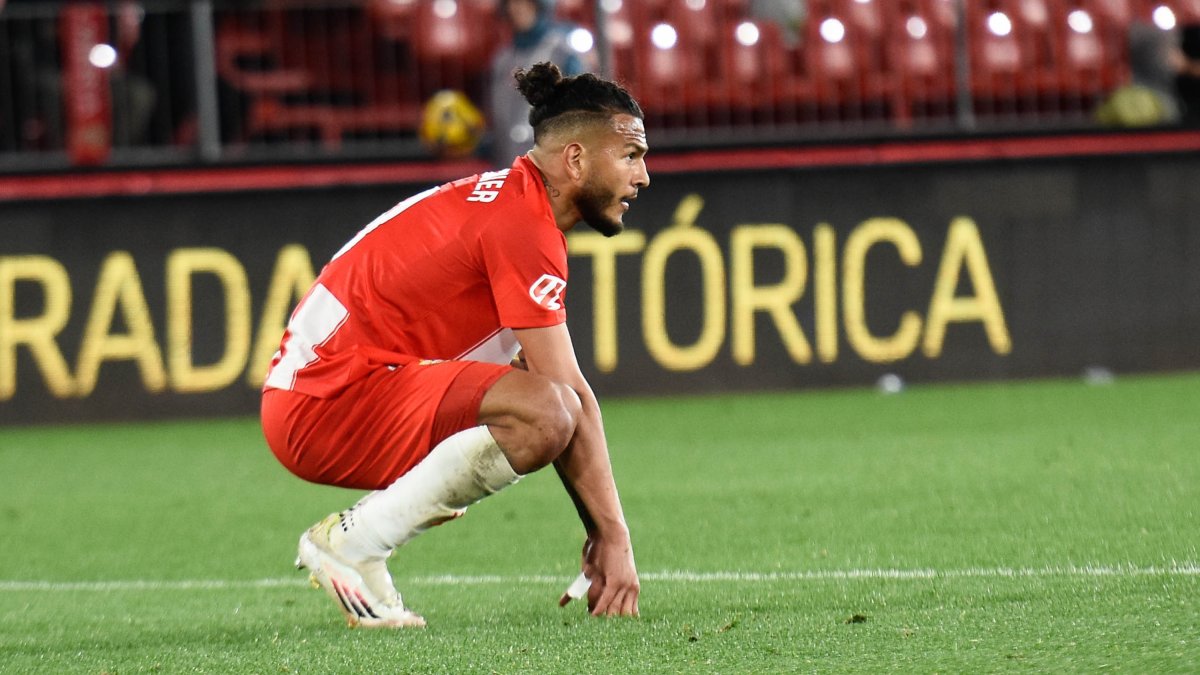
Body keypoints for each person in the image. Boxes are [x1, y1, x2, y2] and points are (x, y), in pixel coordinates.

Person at [260, 61, 649, 628]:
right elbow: (566, 398)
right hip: (326, 400)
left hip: (331, 391)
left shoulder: (510, 203)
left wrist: (602, 528)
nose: (642, 177)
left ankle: (362, 550)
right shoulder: (522, 225)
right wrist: (612, 536)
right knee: (547, 412)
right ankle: (355, 541)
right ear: (575, 159)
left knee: (539, 404)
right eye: (631, 155)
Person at [487, 0, 594, 168]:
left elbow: (581, 110)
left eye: (525, 4)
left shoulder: (562, 52)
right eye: (512, 4)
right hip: (510, 166)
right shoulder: (502, 60)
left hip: (554, 167)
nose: (518, 9)